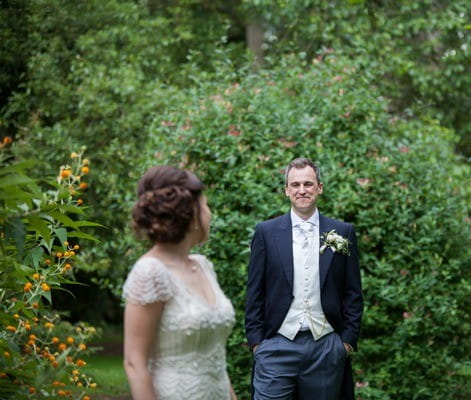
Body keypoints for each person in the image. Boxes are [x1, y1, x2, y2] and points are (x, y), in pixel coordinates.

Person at [245, 157, 363, 400]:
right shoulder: (265, 233)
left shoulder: (342, 232)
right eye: (295, 185)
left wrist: (346, 343)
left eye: (308, 184)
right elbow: (255, 291)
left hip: (326, 347)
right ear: (286, 190)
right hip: (276, 344)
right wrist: (258, 344)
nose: (302, 190)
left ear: (319, 187)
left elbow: (353, 292)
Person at [123, 165, 237, 400]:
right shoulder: (150, 272)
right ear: (191, 213)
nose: (210, 213)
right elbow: (135, 363)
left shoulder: (204, 266)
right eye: (206, 205)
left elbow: (216, 360)